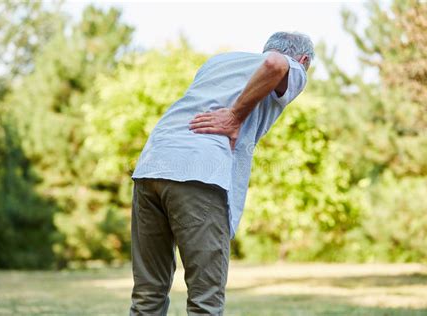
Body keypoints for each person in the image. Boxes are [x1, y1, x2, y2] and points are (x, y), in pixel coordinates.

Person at [129, 31, 314, 315]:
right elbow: (276, 64)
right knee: (206, 299)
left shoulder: (219, 62)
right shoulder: (294, 66)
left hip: (152, 164)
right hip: (198, 171)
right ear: (303, 60)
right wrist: (235, 116)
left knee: (148, 293)